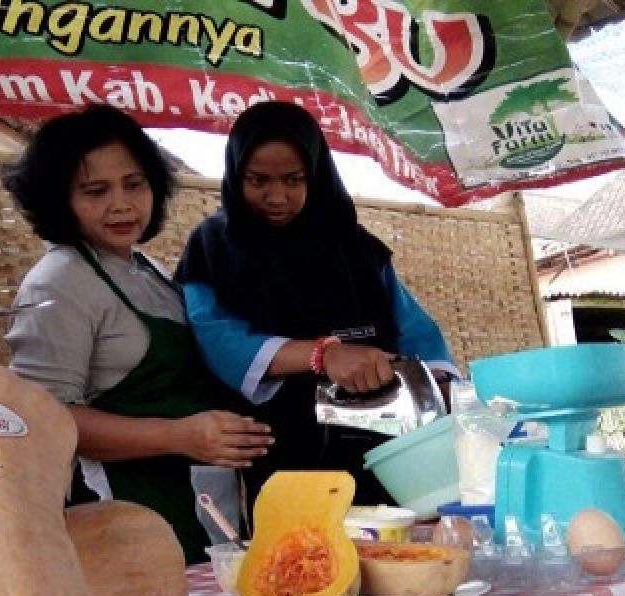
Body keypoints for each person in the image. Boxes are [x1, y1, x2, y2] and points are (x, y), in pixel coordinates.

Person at [1, 105, 271, 564]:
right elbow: (43, 418)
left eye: (134, 184)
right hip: (121, 510)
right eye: (96, 190)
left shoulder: (148, 271)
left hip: (194, 502)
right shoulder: (59, 281)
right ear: (58, 198)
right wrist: (179, 436)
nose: (122, 204)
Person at [177, 100, 459, 507]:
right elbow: (216, 336)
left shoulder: (357, 248)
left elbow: (415, 329)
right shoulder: (213, 247)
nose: (278, 196)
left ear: (316, 173)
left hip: (386, 450)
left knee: (390, 547)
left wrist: (441, 384)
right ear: (236, 175)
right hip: (283, 451)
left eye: (294, 180)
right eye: (259, 180)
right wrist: (323, 355)